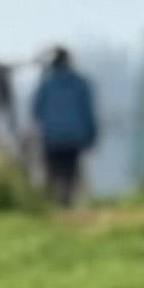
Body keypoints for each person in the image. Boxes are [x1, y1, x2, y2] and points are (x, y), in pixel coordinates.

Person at [31, 46, 99, 205]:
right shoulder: (81, 83)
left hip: (52, 136)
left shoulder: (45, 85)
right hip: (75, 136)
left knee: (55, 168)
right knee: (70, 167)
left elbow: (36, 111)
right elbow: (88, 110)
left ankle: (58, 197)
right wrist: (91, 134)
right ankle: (67, 194)